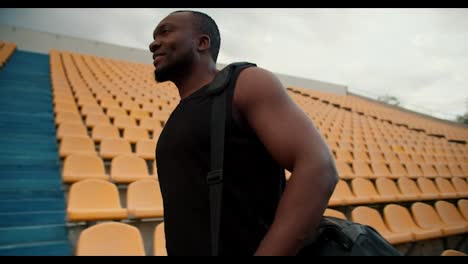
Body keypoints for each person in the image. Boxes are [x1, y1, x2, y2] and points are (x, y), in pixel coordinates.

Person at [149, 10, 339, 256]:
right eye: (154, 36)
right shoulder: (179, 115)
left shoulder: (245, 83)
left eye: (165, 32)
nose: (153, 43)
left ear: (202, 42)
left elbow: (318, 167)